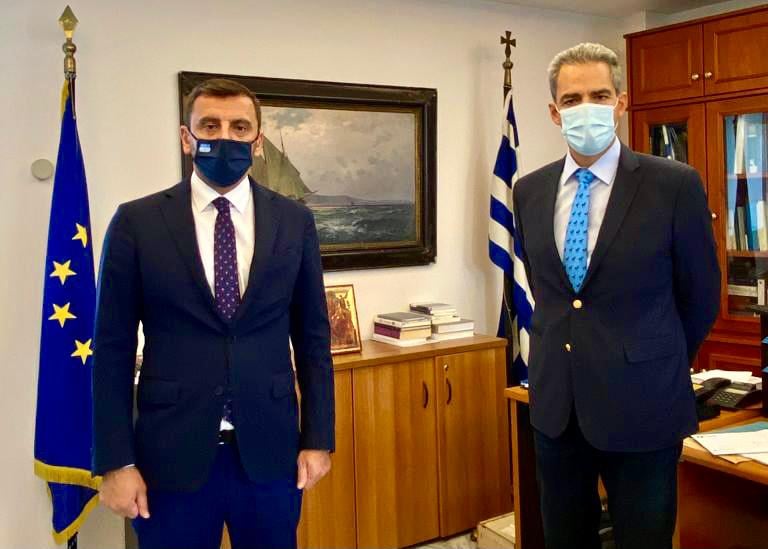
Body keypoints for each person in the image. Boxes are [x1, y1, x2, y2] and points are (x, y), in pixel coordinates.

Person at [92, 78, 335, 549]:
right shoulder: (137, 223)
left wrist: (318, 438)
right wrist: (115, 462)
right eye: (210, 126)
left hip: (270, 453)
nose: (225, 137)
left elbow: (312, 338)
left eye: (240, 127)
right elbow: (112, 349)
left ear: (257, 141)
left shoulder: (294, 221)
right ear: (186, 138)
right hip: (170, 456)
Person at [512, 43, 720, 549]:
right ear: (554, 112)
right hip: (558, 409)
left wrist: (653, 359)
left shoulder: (673, 185)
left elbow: (701, 296)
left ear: (621, 103)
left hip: (644, 406)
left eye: (599, 95)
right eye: (573, 99)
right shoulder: (529, 191)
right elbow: (548, 291)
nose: (586, 107)